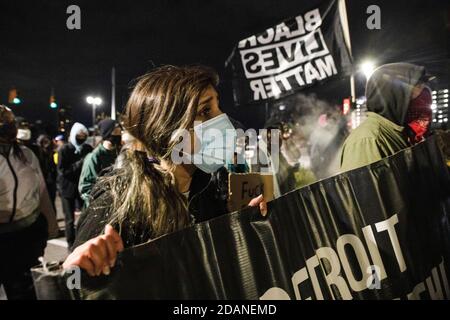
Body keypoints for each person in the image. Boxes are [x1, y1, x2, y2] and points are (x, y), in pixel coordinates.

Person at [63, 65, 267, 277]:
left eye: (218, 107)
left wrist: (240, 223)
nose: (223, 120)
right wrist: (80, 265)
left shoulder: (211, 183)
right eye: (206, 111)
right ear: (167, 129)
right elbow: (76, 284)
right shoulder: (117, 201)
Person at [0, 105, 58, 300]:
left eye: (9, 123)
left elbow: (41, 191)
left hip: (26, 235)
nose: (7, 128)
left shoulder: (27, 154)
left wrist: (50, 223)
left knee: (25, 292)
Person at [340, 63, 434, 171]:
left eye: (424, 89)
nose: (423, 99)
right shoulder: (368, 141)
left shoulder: (405, 135)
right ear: (393, 95)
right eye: (415, 90)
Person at [57, 122, 93, 248]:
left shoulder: (88, 148)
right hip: (67, 189)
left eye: (84, 135)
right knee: (69, 219)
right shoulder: (64, 149)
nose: (82, 137)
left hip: (82, 188)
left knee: (85, 217)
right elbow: (63, 171)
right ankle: (70, 244)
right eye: (79, 135)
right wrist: (79, 164)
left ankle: (82, 241)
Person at [79, 119, 122, 207]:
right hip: (100, 208)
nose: (119, 134)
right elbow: (85, 187)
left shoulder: (118, 153)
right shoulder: (93, 157)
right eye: (115, 131)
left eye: (120, 131)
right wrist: (99, 204)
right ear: (107, 134)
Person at [36, 134, 58, 208]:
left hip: (50, 181)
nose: (46, 145)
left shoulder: (53, 154)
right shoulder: (37, 154)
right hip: (43, 182)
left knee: (50, 202)